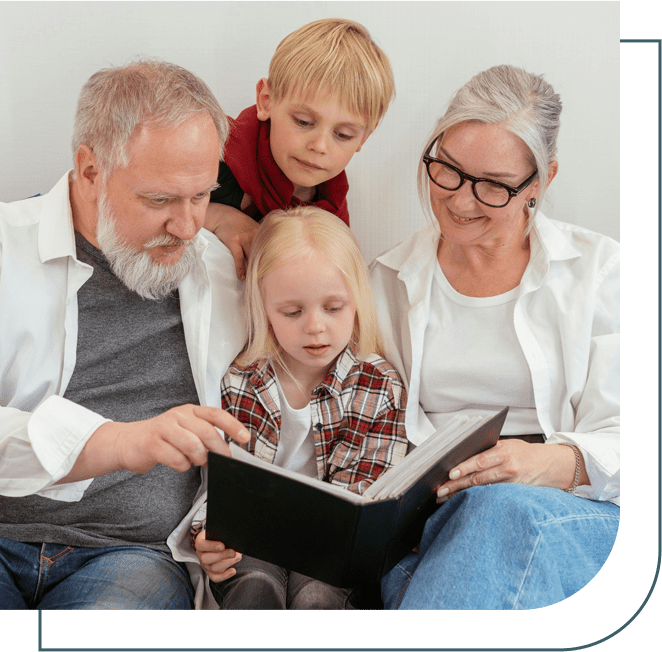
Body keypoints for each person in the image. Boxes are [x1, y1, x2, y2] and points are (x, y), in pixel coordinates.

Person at [0, 58, 252, 610]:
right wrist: (117, 442)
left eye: (203, 196)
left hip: (133, 556)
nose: (188, 228)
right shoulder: (4, 250)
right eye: (160, 200)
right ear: (89, 169)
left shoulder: (227, 270)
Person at [369, 65, 620, 610]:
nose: (460, 201)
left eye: (493, 186)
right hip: (437, 523)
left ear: (542, 181)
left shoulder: (601, 272)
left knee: (499, 511)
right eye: (449, 171)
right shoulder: (385, 280)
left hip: (572, 511)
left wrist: (553, 464)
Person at [191, 206, 408, 609]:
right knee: (254, 585)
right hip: (254, 543)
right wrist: (207, 535)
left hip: (334, 547)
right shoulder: (242, 381)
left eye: (334, 307)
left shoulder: (378, 385)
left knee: (317, 596)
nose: (315, 326)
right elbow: (217, 483)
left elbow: (369, 496)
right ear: (264, 309)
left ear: (357, 301)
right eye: (292, 312)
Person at [204, 18, 395, 279]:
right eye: (303, 122)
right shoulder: (210, 154)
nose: (319, 146)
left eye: (343, 134)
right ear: (266, 101)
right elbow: (143, 212)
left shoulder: (332, 213)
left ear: (363, 138)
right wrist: (215, 215)